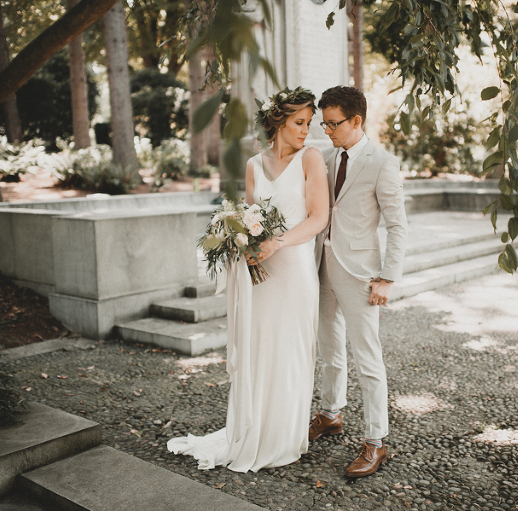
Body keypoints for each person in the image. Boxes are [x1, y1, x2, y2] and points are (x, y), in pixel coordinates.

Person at [168, 87, 329, 472]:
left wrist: (278, 242)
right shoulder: (254, 165)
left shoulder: (311, 158)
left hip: (295, 270)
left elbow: (318, 217)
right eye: (299, 122)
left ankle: (284, 437)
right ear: (278, 122)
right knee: (261, 347)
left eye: (309, 123)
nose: (307, 130)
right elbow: (252, 216)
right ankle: (255, 428)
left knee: (290, 350)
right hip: (263, 272)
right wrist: (245, 243)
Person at [309, 86, 408, 478]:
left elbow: (398, 225)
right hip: (322, 266)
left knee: (368, 359)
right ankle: (331, 414)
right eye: (323, 124)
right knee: (330, 350)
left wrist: (387, 277)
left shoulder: (383, 162)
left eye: (333, 124)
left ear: (356, 121)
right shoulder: (326, 159)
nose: (327, 131)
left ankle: (375, 442)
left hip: (361, 274)